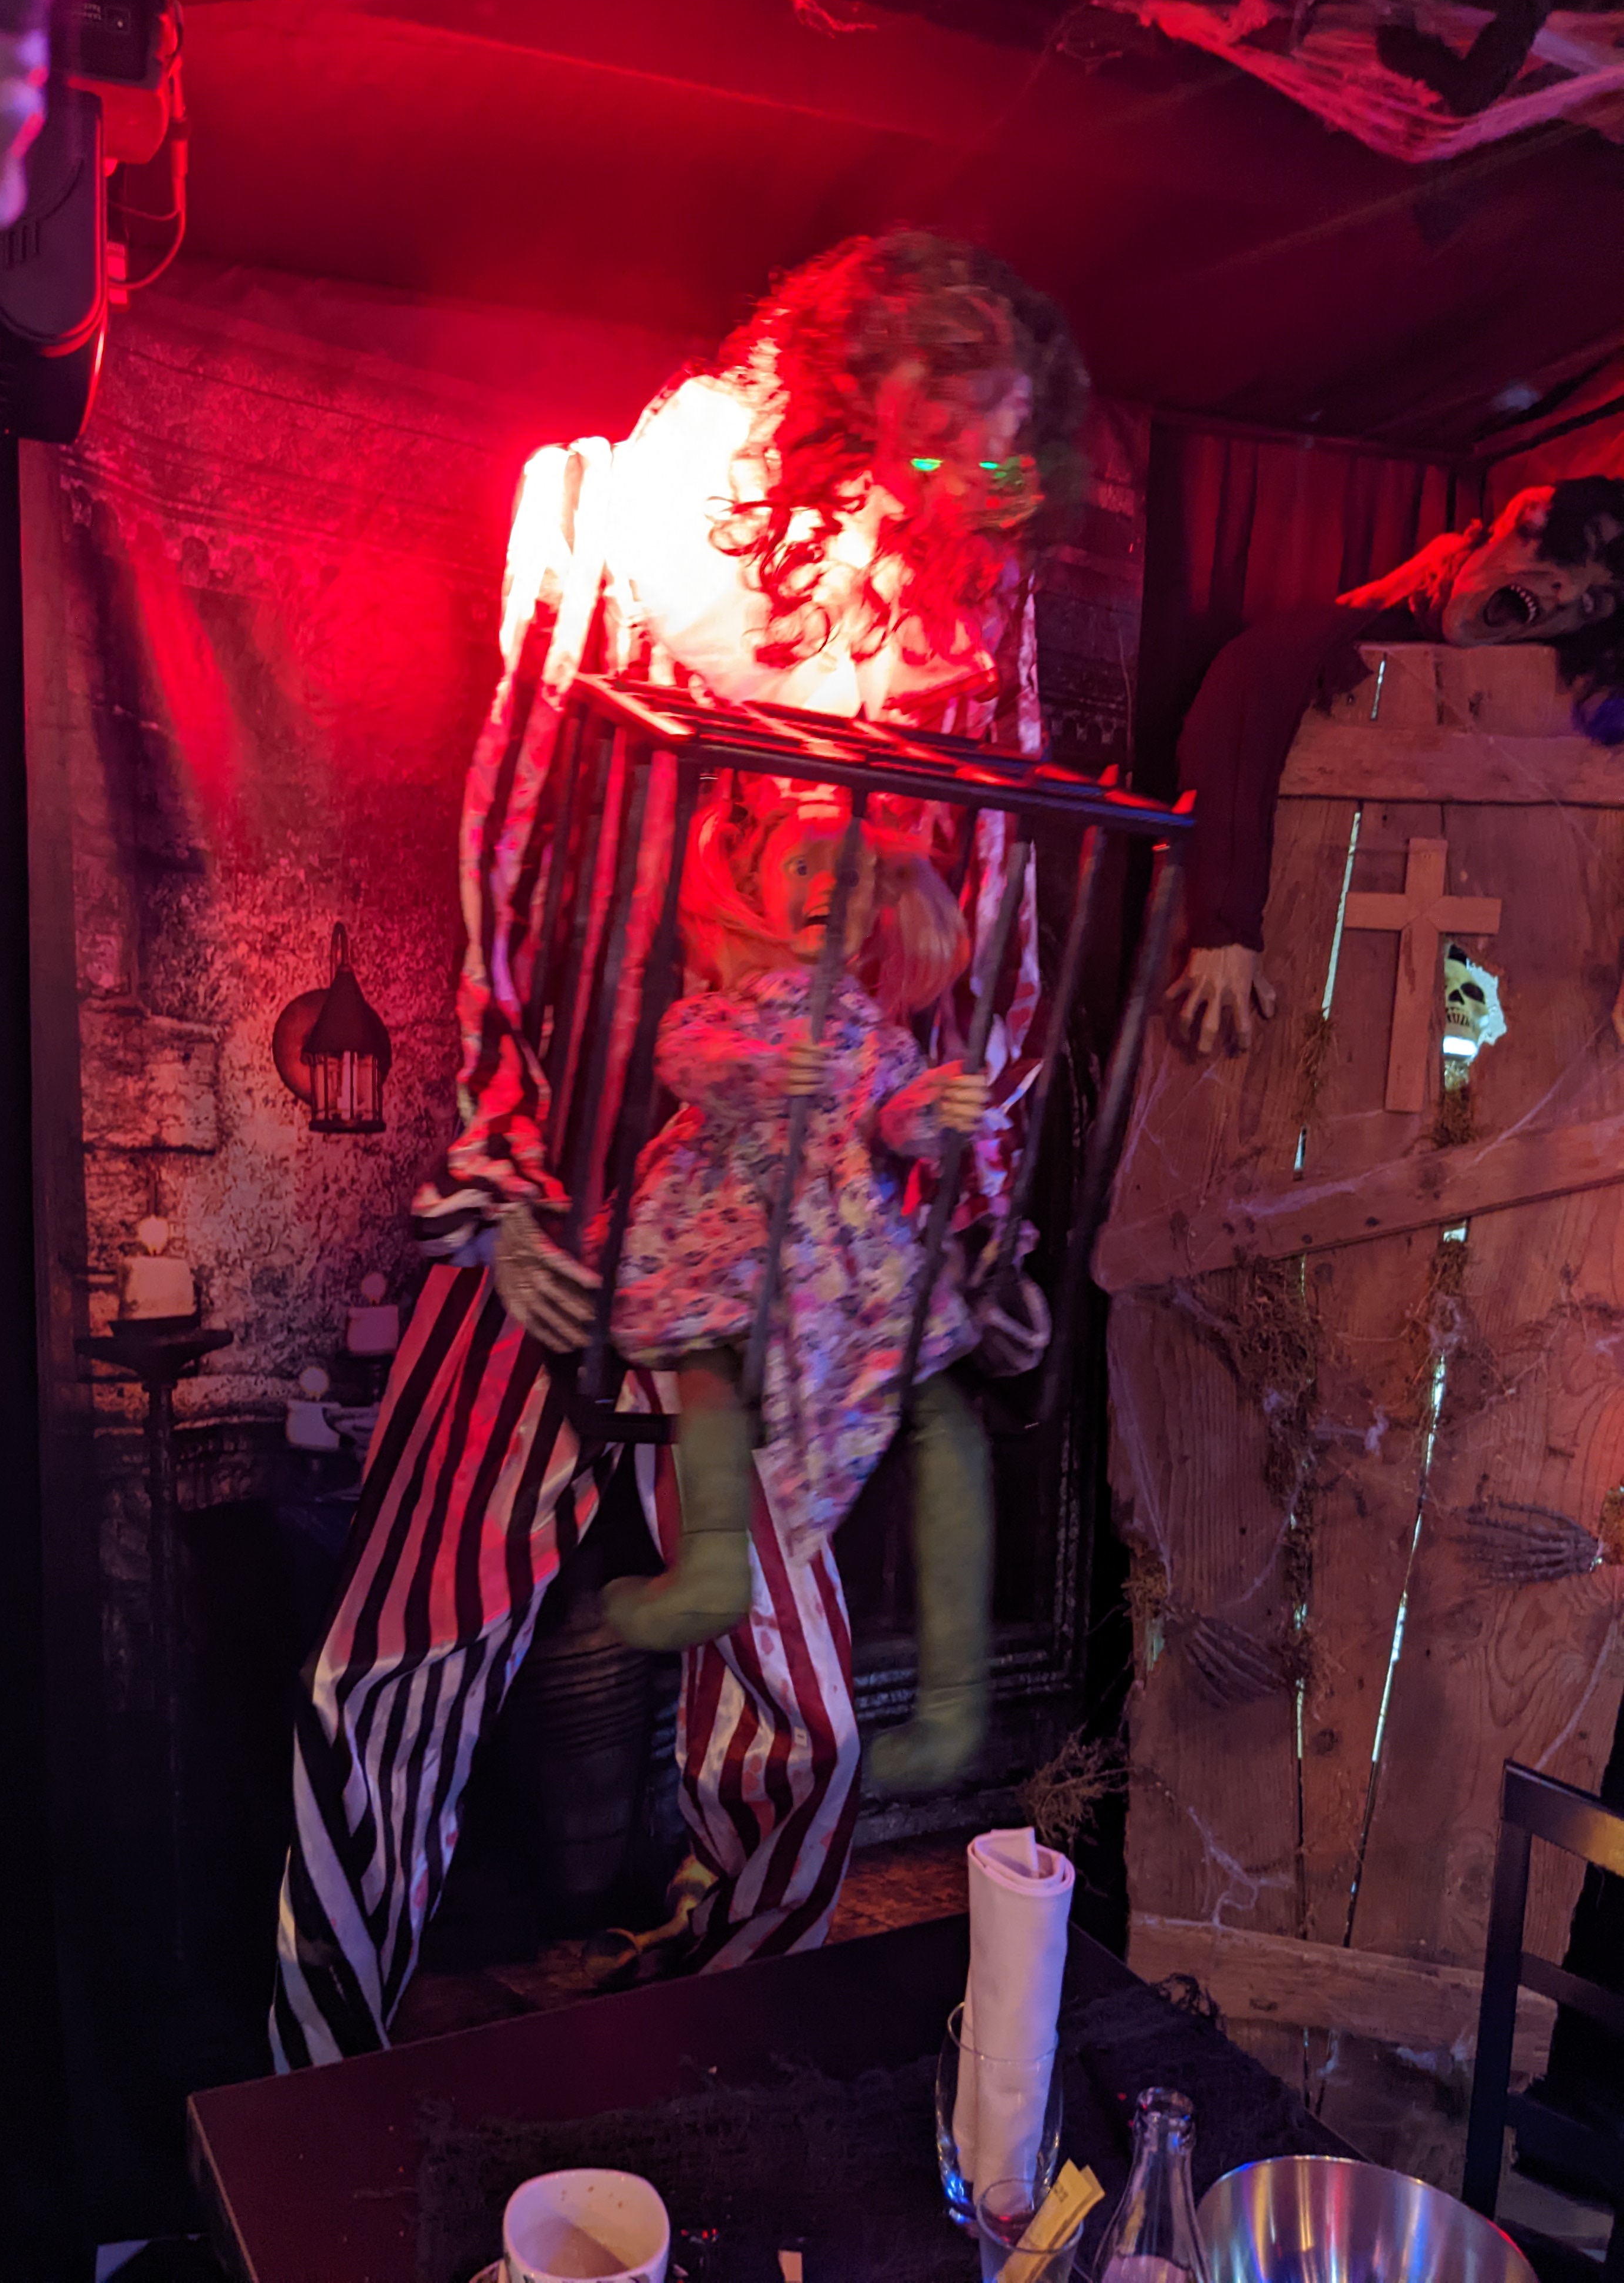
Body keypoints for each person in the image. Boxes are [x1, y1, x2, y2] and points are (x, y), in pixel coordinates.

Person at [270, 230, 1090, 2068]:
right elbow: (516, 856)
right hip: (594, 1187)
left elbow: (996, 908)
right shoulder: (629, 517)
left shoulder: (966, 617)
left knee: (804, 1731)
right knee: (395, 1670)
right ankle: (310, 2103)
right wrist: (504, 1169)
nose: (982, 479)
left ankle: (720, 2056)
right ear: (856, 400)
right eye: (953, 431)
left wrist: (967, 1203)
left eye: (1004, 443)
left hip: (788, 1250)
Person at [606, 788, 996, 1795]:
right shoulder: (725, 1004)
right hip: (736, 1228)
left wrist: (934, 1109)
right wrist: (764, 1065)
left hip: (844, 1250)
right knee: (706, 1347)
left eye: (852, 876)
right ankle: (710, 1565)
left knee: (938, 1401)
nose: (828, 886)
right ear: (752, 888)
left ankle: (952, 1709)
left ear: (877, 909)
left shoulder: (880, 1035)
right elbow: (682, 1052)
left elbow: (893, 1117)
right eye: (801, 866)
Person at [1170, 477, 1624, 1054]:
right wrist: (1224, 930)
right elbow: (1253, 677)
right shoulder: (1383, 619)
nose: (1565, 592)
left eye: (1595, 602)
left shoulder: (1569, 686)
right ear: (1520, 520)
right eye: (1564, 548)